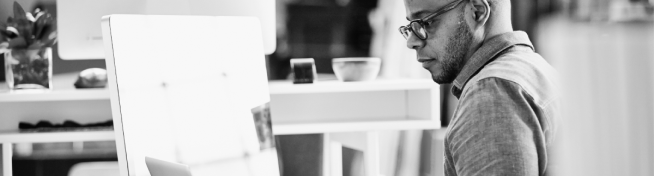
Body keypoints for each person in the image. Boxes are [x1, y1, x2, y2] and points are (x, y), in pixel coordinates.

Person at [400, 0, 559, 175]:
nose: (412, 42)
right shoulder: (534, 70)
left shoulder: (491, 96)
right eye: (410, 27)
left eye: (426, 22)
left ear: (477, 12)